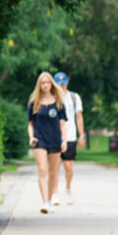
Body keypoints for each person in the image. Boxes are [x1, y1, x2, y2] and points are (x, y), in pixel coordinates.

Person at [27, 71, 67, 214]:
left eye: (47, 83)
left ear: (52, 84)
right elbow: (30, 124)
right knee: (42, 170)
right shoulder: (34, 103)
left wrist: (64, 140)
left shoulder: (59, 103)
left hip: (55, 139)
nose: (45, 85)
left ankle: (50, 200)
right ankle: (44, 202)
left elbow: (62, 124)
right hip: (39, 139)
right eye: (42, 83)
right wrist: (31, 137)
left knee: (53, 172)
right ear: (39, 85)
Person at [52, 72, 86, 205]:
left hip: (71, 135)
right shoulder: (51, 97)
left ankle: (67, 187)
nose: (61, 86)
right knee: (54, 166)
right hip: (55, 137)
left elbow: (79, 116)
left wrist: (81, 135)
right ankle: (54, 192)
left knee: (68, 166)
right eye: (59, 83)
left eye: (63, 83)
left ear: (67, 82)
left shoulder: (74, 97)